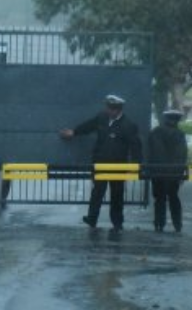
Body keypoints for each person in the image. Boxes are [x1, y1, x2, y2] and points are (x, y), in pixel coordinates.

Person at [59, 94, 143, 231]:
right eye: (108, 108)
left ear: (119, 110)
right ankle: (92, 218)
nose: (109, 111)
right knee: (97, 191)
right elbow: (88, 126)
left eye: (112, 109)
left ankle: (117, 222)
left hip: (118, 166)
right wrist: (74, 132)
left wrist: (136, 165)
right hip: (100, 163)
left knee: (117, 194)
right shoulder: (102, 118)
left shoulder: (128, 125)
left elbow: (136, 146)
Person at [147, 109, 188, 232]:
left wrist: (149, 170)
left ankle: (159, 224)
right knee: (174, 198)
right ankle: (177, 224)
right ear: (177, 120)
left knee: (159, 199)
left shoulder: (155, 132)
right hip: (173, 173)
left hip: (157, 171)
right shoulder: (180, 135)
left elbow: (150, 153)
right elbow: (182, 156)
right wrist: (180, 174)